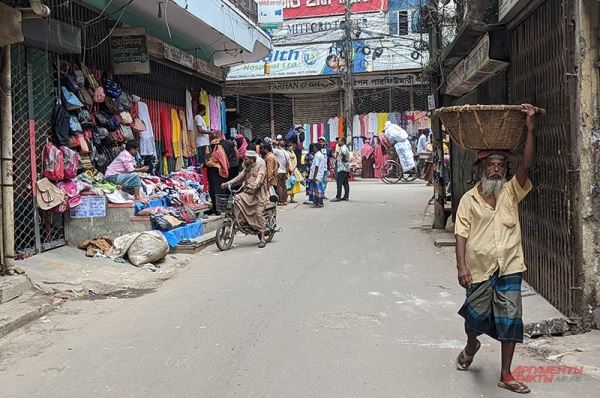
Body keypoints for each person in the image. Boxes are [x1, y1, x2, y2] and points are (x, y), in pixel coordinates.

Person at [454, 104, 537, 395]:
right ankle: (471, 344)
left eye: (501, 164)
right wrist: (461, 266)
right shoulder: (469, 199)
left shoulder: (512, 191)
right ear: (481, 168)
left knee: (510, 320)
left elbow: (526, 164)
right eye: (491, 163)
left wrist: (529, 128)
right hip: (478, 269)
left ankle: (506, 373)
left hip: (510, 266)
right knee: (474, 319)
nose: (497, 168)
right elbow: (461, 233)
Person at [221, 151, 269, 248]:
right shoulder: (247, 167)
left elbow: (260, 176)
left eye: (246, 158)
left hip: (259, 195)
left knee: (259, 213)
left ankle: (263, 238)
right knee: (237, 198)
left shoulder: (261, 165)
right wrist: (228, 183)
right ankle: (242, 221)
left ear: (251, 159)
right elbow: (240, 177)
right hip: (248, 193)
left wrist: (256, 184)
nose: (244, 160)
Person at [205, 131, 229, 215]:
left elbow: (211, 163)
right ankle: (214, 208)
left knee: (216, 191)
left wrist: (209, 164)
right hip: (213, 175)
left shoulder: (218, 153)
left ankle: (218, 209)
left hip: (217, 175)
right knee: (212, 191)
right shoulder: (216, 151)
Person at [272, 135, 291, 206]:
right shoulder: (287, 153)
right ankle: (285, 201)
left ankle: (280, 201)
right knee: (284, 186)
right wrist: (286, 173)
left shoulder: (277, 151)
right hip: (284, 172)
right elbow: (288, 164)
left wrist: (273, 143)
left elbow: (270, 149)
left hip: (279, 171)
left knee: (279, 186)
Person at [309, 142, 327, 208]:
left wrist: (314, 177)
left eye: (314, 147)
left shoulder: (317, 155)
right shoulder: (321, 155)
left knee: (317, 189)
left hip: (317, 175)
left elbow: (316, 167)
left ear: (316, 148)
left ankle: (319, 202)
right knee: (318, 189)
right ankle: (319, 202)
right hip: (320, 174)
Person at [332, 137, 350, 202]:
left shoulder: (343, 148)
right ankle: (346, 196)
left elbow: (344, 153)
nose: (338, 142)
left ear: (342, 142)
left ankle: (338, 197)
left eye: (339, 141)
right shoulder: (344, 147)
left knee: (339, 183)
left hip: (342, 168)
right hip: (346, 168)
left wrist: (343, 158)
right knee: (345, 183)